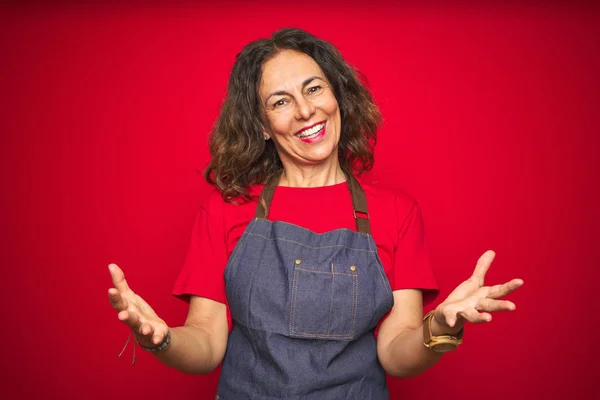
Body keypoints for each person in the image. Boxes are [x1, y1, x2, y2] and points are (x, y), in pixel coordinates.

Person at [108, 28, 524, 399]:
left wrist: (440, 329)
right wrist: (160, 340)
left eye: (313, 89)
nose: (305, 111)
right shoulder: (224, 210)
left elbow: (397, 352)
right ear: (264, 126)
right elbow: (206, 342)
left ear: (336, 95)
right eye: (281, 101)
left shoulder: (397, 212)